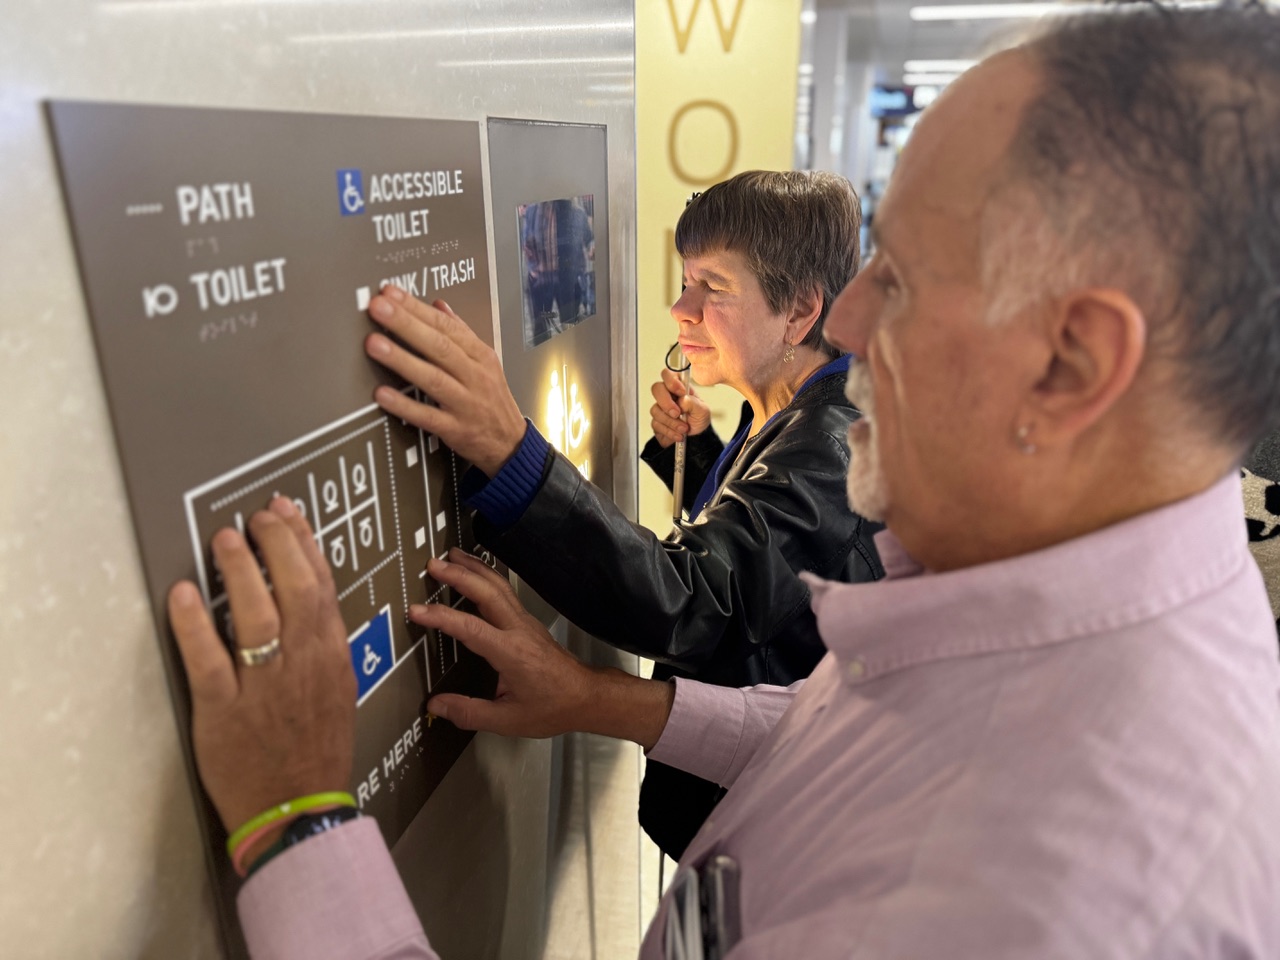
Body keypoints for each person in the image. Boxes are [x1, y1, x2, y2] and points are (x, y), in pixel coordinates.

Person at [168, 4, 1280, 956]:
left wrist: (299, 822)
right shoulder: (1053, 596)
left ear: (1071, 362)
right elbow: (851, 731)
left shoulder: (1032, 903)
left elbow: (713, 597)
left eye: (901, 275)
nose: (847, 318)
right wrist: (598, 700)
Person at [363, 170, 883, 858]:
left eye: (713, 288)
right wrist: (703, 454)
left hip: (774, 840)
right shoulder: (802, 410)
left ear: (798, 311)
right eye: (686, 279)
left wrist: (513, 455)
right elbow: (776, 566)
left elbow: (695, 601)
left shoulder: (832, 445)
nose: (681, 307)